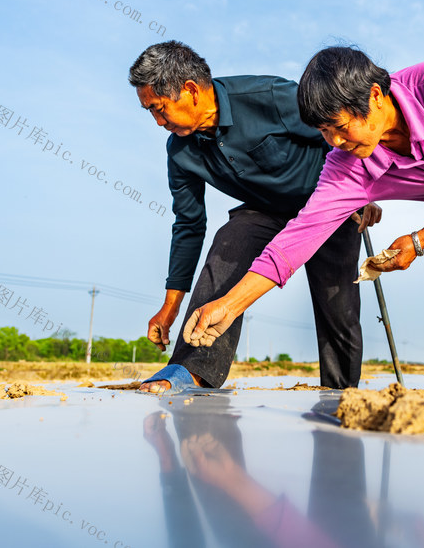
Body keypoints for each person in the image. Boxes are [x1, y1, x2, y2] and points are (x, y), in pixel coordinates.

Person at [179, 47, 424, 397]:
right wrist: (229, 306)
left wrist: (419, 241)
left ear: (374, 95)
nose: (335, 141)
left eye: (339, 126)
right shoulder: (347, 163)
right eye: (323, 132)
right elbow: (298, 237)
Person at [128, 42, 380, 394]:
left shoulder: (270, 96)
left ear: (189, 90)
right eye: (150, 113)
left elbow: (339, 132)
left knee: (337, 304)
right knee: (229, 241)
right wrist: (170, 306)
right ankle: (191, 370)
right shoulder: (180, 150)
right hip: (263, 210)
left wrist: (362, 188)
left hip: (326, 202)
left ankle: (340, 393)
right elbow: (188, 224)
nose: (158, 122)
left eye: (159, 109)